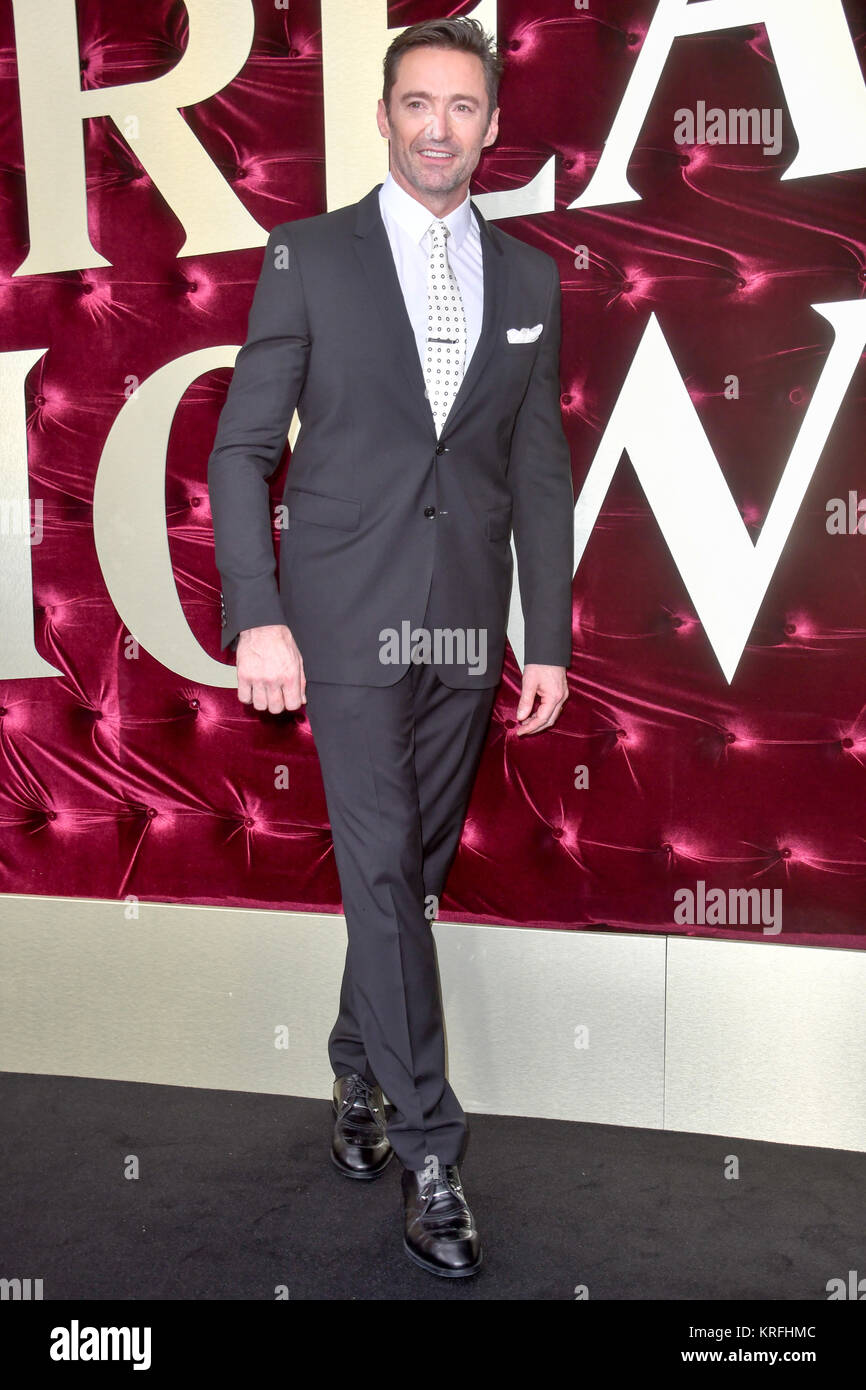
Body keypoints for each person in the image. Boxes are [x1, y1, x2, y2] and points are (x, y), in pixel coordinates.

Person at [207, 16, 574, 1279]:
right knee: (380, 873)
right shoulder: (306, 255)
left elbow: (537, 472)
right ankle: (430, 1152)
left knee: (406, 874)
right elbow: (242, 445)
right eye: (416, 103)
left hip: (467, 630)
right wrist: (258, 613)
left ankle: (356, 1069)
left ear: (486, 125)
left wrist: (551, 638)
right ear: (382, 115)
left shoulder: (529, 281)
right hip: (343, 625)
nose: (437, 127)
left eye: (461, 107)